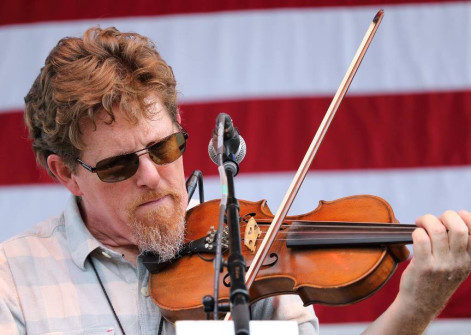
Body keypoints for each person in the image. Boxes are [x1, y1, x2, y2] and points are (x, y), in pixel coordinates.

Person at [0, 26, 469, 335]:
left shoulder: (244, 258)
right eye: (118, 166)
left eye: (164, 148)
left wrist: (417, 301)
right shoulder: (13, 282)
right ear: (66, 173)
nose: (151, 176)